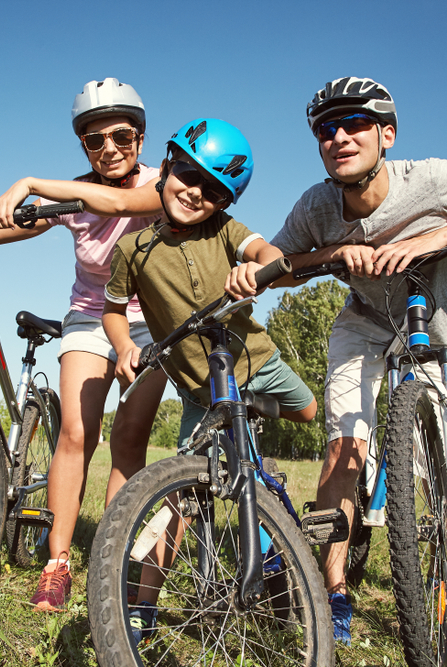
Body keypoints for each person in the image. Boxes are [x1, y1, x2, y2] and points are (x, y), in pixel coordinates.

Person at [270, 77, 447, 645]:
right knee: (346, 445)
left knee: (441, 458)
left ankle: (444, 581)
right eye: (327, 128)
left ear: (386, 134)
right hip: (363, 325)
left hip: (431, 327)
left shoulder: (434, 180)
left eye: (355, 124)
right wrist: (333, 252)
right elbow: (278, 261)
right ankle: (335, 590)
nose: (340, 136)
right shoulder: (317, 204)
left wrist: (446, 234)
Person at [0, 78, 169, 613]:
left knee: (130, 439)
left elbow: (118, 201)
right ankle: (58, 563)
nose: (109, 147)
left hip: (150, 322)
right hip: (90, 316)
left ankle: (112, 563)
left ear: (139, 136)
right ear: (83, 146)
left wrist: (34, 182)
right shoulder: (70, 199)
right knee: (75, 432)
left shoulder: (161, 183)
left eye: (121, 135)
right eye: (94, 140)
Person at [102, 119, 318, 641]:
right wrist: (125, 346)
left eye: (213, 189)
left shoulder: (225, 232)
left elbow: (267, 252)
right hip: (201, 387)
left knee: (310, 411)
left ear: (225, 202)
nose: (194, 191)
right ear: (167, 165)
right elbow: (112, 309)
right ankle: (144, 604)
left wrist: (260, 269)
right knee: (183, 498)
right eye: (187, 173)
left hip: (254, 361)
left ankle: (265, 482)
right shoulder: (134, 250)